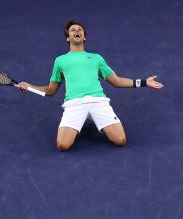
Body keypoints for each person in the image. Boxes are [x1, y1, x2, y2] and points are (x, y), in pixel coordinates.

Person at [17, 20, 164, 151]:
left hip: (98, 102)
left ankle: (97, 120)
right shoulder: (60, 61)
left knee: (120, 140)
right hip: (74, 104)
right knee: (62, 145)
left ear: (84, 37)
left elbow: (117, 81)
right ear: (68, 38)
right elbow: (50, 91)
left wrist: (144, 82)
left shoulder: (96, 58)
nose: (77, 31)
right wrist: (29, 86)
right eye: (73, 30)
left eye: (80, 29)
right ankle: (81, 123)